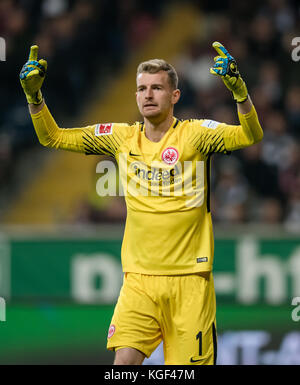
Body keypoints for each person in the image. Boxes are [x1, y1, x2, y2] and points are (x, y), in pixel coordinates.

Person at [20, 42, 263, 365]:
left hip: (190, 282)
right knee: (124, 365)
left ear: (174, 96)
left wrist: (240, 93)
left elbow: (251, 136)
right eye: (142, 89)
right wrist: (34, 98)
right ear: (135, 96)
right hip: (139, 282)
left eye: (157, 88)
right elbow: (53, 137)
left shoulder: (196, 135)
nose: (148, 95)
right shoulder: (121, 138)